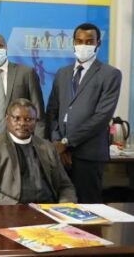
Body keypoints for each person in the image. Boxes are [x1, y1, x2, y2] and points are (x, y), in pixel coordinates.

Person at [46, 23, 122, 203]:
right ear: (73, 43)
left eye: (89, 42)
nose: (83, 45)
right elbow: (52, 112)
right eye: (79, 41)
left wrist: (67, 142)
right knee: (59, 208)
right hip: (60, 155)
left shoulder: (110, 74)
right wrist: (57, 142)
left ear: (98, 44)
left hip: (89, 155)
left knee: (88, 210)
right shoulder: (62, 74)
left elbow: (101, 117)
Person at [0, 99, 77, 205]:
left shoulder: (48, 147)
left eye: (28, 119)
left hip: (48, 209)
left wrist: (65, 205)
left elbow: (65, 185)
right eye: (16, 118)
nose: (22, 123)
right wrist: (15, 206)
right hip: (11, 210)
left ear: (36, 122)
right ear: (7, 119)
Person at [0, 33, 45, 137]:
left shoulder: (26, 73)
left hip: (22, 139)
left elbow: (38, 112)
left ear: (6, 48)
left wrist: (39, 146)